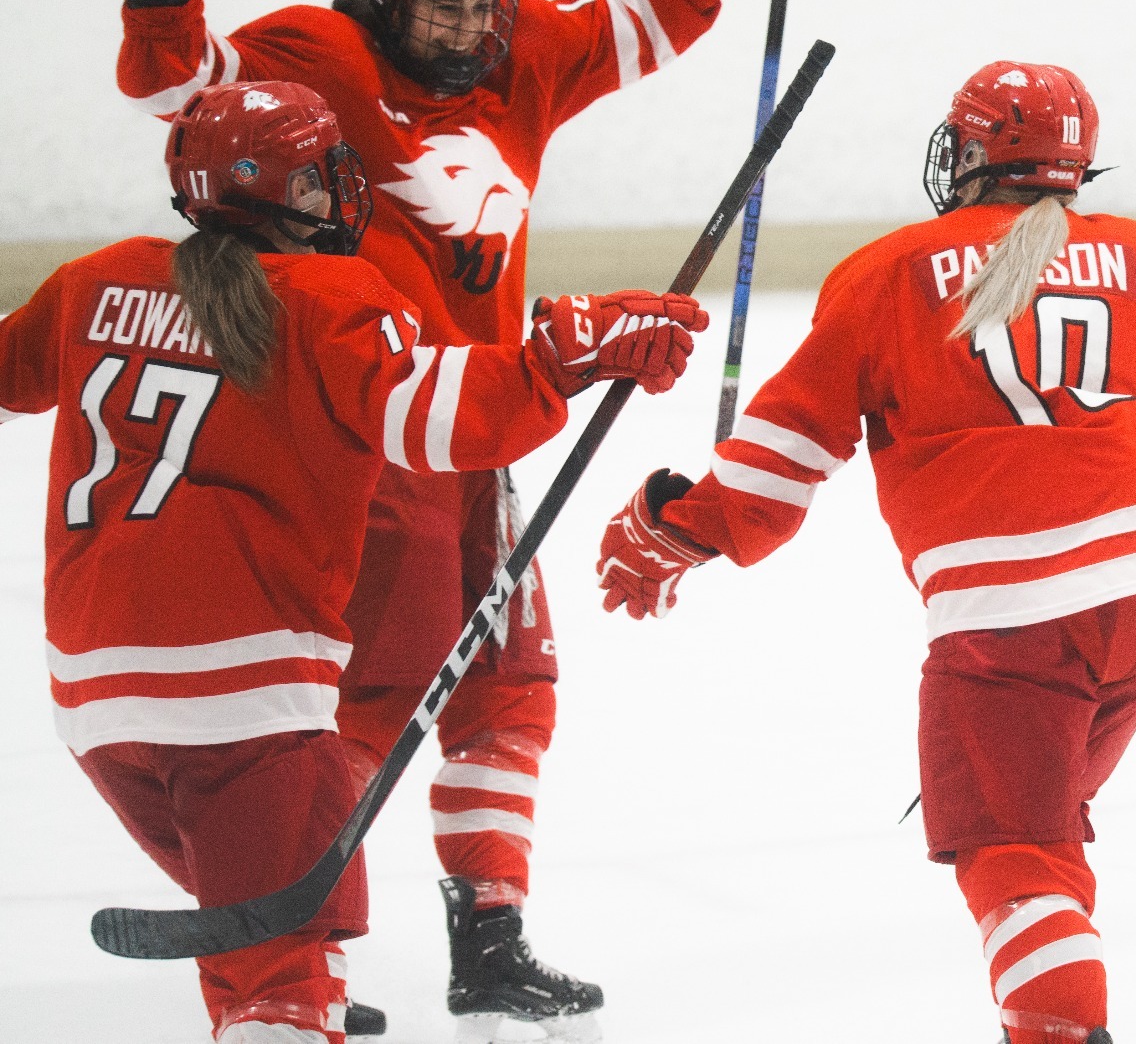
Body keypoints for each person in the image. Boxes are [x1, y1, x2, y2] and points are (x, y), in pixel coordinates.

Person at [105, 0, 833, 1033]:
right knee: (376, 700)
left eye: (478, 6)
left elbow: (632, 16)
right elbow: (178, 92)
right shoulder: (317, 52)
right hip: (375, 435)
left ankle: (487, 942)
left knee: (507, 684)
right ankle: (290, 944)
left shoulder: (519, 48)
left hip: (485, 430)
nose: (462, 30)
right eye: (437, 8)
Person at [589, 61, 1136, 1042]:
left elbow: (781, 464)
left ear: (971, 155)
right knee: (1044, 828)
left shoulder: (890, 274)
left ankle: (1060, 1028)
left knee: (1012, 846)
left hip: (1009, 622)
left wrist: (673, 529)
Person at [0, 81, 701, 1044]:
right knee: (283, 991)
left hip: (93, 708)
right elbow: (450, 419)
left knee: (259, 940)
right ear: (292, 190)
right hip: (243, 708)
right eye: (327, 175)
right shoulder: (326, 297)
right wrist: (564, 354)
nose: (342, 193)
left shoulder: (94, 281)